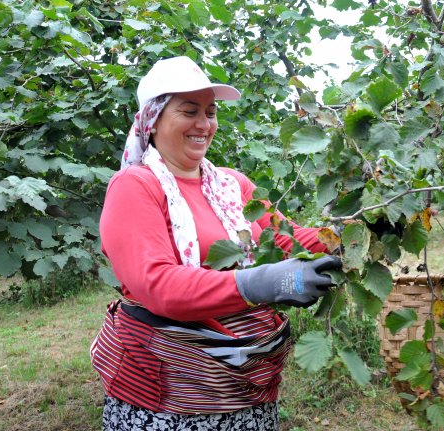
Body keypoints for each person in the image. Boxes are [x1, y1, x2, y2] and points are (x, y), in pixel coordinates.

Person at [90, 55, 341, 431]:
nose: (204, 124)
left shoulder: (232, 185)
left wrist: (355, 233)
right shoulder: (135, 187)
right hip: (169, 400)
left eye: (210, 112)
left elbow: (286, 239)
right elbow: (158, 286)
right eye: (189, 111)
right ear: (153, 120)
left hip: (245, 389)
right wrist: (261, 283)